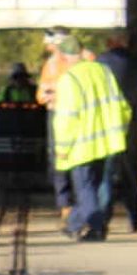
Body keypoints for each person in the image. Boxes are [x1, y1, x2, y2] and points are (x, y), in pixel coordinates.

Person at [52, 50, 131, 242]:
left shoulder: (69, 80)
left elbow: (66, 119)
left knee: (85, 189)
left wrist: (62, 149)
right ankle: (76, 224)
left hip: (82, 147)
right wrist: (121, 132)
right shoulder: (104, 72)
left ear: (64, 58)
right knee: (94, 188)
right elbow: (123, 107)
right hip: (106, 143)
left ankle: (95, 228)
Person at [96, 33, 137, 233]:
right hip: (132, 124)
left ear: (110, 42)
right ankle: (135, 218)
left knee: (106, 173)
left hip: (106, 125)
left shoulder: (100, 63)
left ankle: (102, 219)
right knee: (132, 172)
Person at [39, 30, 82, 216]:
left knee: (75, 156)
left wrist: (54, 91)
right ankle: (65, 203)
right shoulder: (50, 65)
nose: (50, 49)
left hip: (74, 112)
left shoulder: (80, 62)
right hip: (57, 112)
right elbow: (41, 95)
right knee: (59, 157)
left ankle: (75, 201)